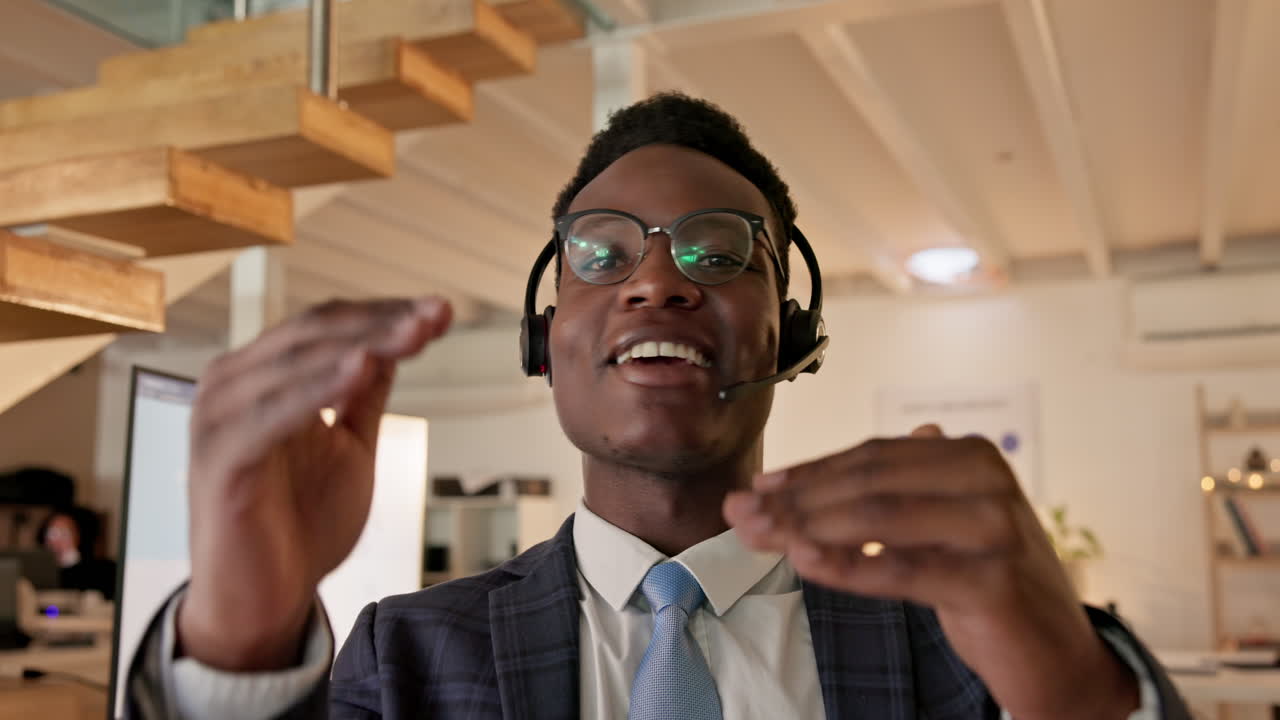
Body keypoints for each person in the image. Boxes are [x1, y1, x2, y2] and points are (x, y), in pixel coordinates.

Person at [126, 94, 1191, 719]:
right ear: (548, 338)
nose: (655, 280)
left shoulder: (956, 647)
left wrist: (1073, 688)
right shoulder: (406, 656)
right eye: (600, 253)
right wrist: (235, 644)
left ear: (794, 331)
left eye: (717, 251)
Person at [38, 505, 117, 601]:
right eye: (52, 534)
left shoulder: (105, 571)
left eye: (64, 534)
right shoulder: (37, 573)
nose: (55, 542)